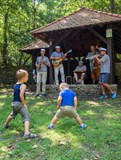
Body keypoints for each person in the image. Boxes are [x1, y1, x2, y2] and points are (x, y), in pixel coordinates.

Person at [4, 69, 37, 139]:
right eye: (27, 77)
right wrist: (24, 104)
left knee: (12, 114)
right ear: (23, 77)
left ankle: (6, 124)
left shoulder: (15, 85)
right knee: (26, 116)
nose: (28, 78)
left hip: (14, 103)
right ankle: (27, 133)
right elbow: (21, 95)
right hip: (19, 104)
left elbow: (15, 94)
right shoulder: (23, 85)